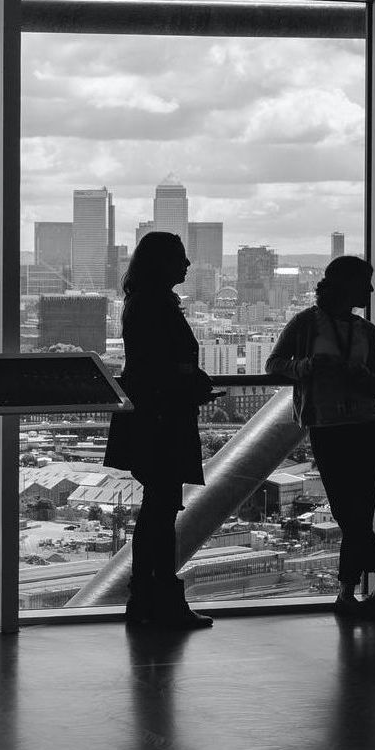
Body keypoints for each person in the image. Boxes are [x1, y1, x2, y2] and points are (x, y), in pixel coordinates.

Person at [266, 256, 375, 617]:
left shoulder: (366, 331)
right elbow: (275, 365)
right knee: (349, 512)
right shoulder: (305, 324)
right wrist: (310, 366)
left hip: (364, 426)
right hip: (336, 427)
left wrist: (353, 374)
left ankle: (349, 590)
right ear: (346, 285)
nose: (371, 290)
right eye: (365, 282)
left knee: (353, 513)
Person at [103, 231, 216, 629]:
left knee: (157, 510)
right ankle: (160, 599)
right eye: (181, 259)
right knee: (161, 512)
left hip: (151, 417)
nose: (187, 266)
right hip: (162, 419)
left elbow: (149, 363)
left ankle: (148, 598)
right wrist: (190, 382)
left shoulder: (142, 303)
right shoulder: (157, 305)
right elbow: (161, 364)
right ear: (162, 264)